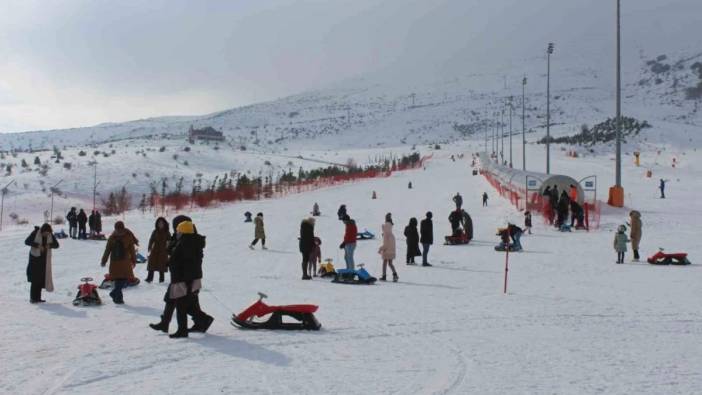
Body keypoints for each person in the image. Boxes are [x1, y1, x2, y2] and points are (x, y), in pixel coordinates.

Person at [167, 220, 213, 338]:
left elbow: (173, 260)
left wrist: (171, 249)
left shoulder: (183, 243)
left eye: (178, 231)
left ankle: (182, 330)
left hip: (182, 278)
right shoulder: (196, 242)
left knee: (181, 305)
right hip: (195, 278)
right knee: (190, 304)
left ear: (182, 232)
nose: (177, 233)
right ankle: (203, 320)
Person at [100, 221, 137, 304]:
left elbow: (132, 250)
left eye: (120, 228)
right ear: (115, 229)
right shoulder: (121, 237)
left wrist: (134, 260)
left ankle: (115, 294)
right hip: (119, 263)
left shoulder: (115, 237)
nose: (119, 230)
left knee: (122, 279)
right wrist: (104, 260)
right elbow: (107, 250)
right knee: (119, 280)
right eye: (118, 229)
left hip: (121, 262)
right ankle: (118, 298)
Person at [25, 223, 59, 303]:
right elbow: (27, 242)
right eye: (45, 233)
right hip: (35, 260)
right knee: (34, 279)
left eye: (48, 233)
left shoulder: (50, 235)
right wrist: (37, 245)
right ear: (42, 231)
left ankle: (38, 298)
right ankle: (33, 298)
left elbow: (57, 245)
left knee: (40, 279)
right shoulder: (35, 232)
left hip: (44, 261)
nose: (46, 235)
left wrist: (49, 245)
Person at [146, 217, 171, 283]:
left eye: (161, 223)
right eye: (159, 223)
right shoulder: (155, 231)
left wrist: (168, 247)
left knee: (161, 264)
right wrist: (150, 247)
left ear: (164, 224)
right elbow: (151, 240)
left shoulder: (167, 232)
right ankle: (149, 278)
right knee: (151, 264)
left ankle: (161, 279)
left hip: (163, 250)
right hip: (155, 250)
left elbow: (170, 240)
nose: (160, 224)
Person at [378, 213, 398, 281]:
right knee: (390, 263)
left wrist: (380, 249)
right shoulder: (391, 235)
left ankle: (384, 276)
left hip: (387, 251)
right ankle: (395, 274)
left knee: (384, 263)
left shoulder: (386, 234)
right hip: (391, 251)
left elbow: (385, 245)